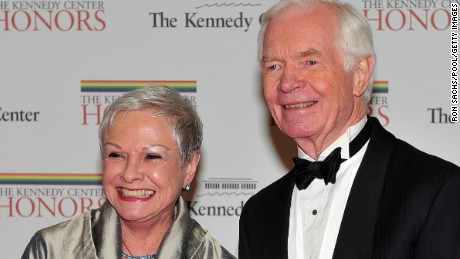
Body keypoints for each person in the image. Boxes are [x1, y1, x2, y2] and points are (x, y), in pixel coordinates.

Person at [238, 0, 460, 258]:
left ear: (360, 74)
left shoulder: (434, 191)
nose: (287, 83)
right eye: (274, 66)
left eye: (310, 62)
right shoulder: (259, 213)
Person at [22, 85, 236, 259]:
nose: (130, 174)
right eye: (116, 155)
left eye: (152, 156)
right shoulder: (53, 250)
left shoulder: (213, 256)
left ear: (189, 167)